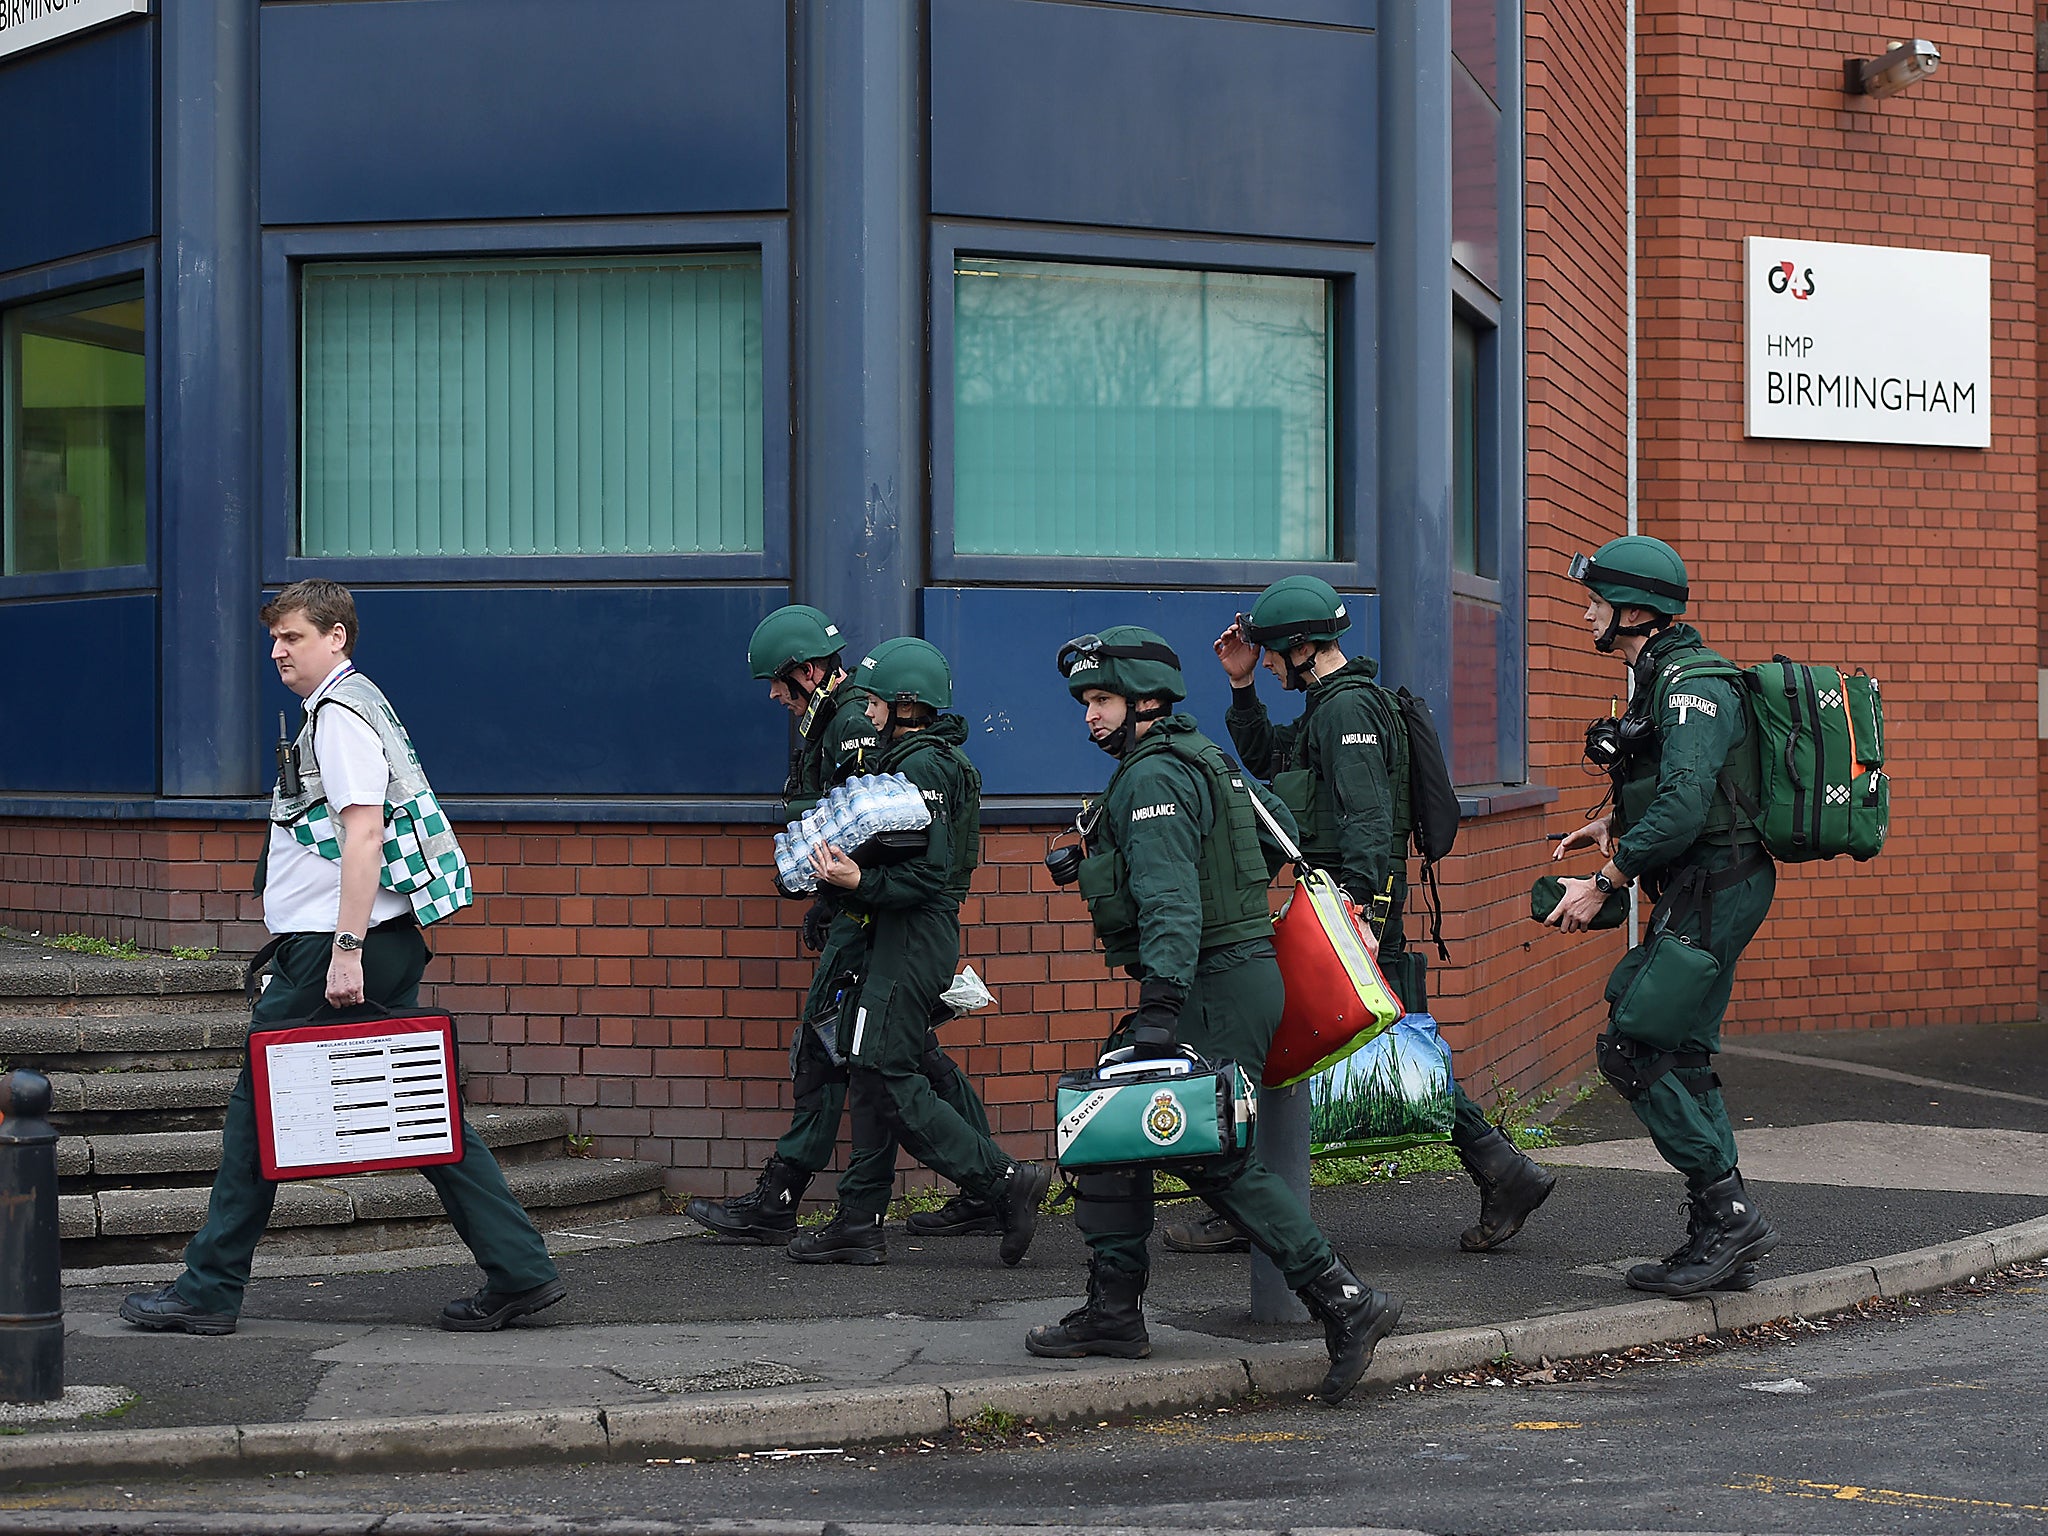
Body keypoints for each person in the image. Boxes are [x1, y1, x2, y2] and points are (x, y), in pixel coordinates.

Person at [120, 580, 564, 1336]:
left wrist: (346, 950)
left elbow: (365, 836)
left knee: (256, 1115)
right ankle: (520, 1272)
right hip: (350, 943)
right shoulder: (351, 705)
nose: (277, 651)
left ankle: (208, 1289)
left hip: (334, 948)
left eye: (291, 636)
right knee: (425, 1116)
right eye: (274, 639)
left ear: (336, 637)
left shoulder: (341, 717)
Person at [1025, 626, 1398, 1405]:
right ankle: (1114, 1311)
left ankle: (1345, 1301)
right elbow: (1276, 838)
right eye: (1087, 701)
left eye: (1100, 700)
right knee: (1108, 1129)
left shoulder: (1153, 776)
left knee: (1209, 1153)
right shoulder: (1206, 760)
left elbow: (1168, 901)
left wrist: (1160, 1005)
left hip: (1208, 984)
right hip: (1227, 975)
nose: (1089, 716)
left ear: (1146, 701)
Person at [1213, 575, 1555, 1255]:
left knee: (1304, 1037)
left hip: (1349, 904)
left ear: (1304, 646)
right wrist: (1242, 687)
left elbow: (1368, 816)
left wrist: (1361, 911)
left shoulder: (1349, 712)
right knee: (1364, 1043)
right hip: (1338, 899)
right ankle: (1503, 1169)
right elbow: (1270, 764)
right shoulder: (1327, 706)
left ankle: (1246, 1203)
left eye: (1273, 653)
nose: (1271, 661)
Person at [687, 610, 1001, 1247]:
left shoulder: (856, 724)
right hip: (866, 911)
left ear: (806, 670)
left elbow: (874, 830)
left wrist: (840, 901)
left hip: (879, 916)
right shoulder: (832, 718)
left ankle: (788, 1195)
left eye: (777, 682)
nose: (774, 695)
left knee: (833, 1045)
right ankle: (984, 1186)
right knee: (897, 1052)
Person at [1546, 536, 1778, 1296]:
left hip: (1717, 886)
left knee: (1634, 1046)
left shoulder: (1690, 685)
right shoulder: (1659, 674)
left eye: (1596, 602)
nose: (1587, 614)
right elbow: (1678, 795)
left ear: (1635, 610)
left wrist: (1605, 882)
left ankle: (1727, 1215)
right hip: (1703, 883)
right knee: (1677, 1052)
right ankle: (1725, 1225)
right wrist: (1611, 826)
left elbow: (1684, 807)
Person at [786, 637, 1051, 1266]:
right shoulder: (917, 758)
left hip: (911, 935)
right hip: (893, 933)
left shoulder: (927, 767)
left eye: (875, 701)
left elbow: (927, 878)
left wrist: (858, 884)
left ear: (906, 705)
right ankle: (859, 1219)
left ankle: (1002, 1182)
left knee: (884, 1071)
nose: (866, 711)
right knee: (871, 1067)